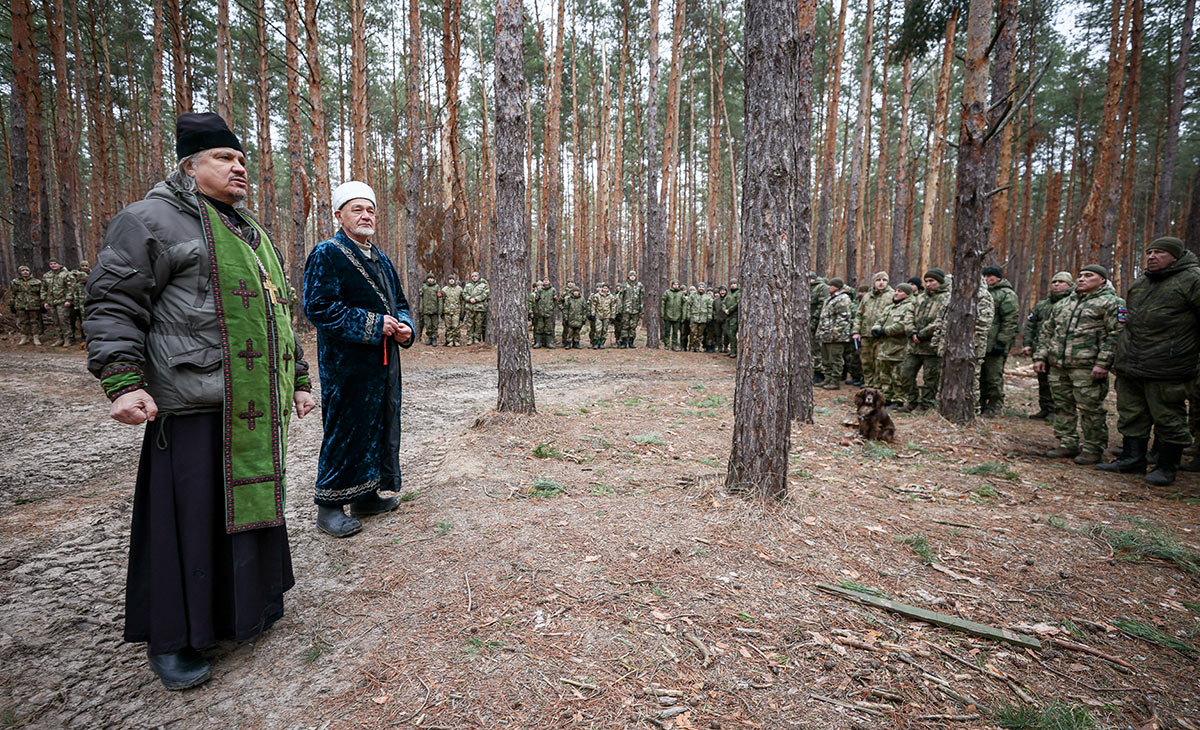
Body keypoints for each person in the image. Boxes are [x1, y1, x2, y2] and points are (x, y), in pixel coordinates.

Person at [84, 112, 315, 690]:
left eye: (242, 160)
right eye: (223, 158)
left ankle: (243, 612)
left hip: (250, 405)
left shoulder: (248, 232)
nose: (239, 168)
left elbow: (277, 317)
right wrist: (122, 379)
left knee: (241, 515)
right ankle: (175, 638)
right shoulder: (149, 221)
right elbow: (114, 302)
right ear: (189, 165)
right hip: (191, 404)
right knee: (188, 523)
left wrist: (301, 379)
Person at [304, 180, 415, 536]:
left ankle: (366, 496)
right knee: (345, 430)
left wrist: (406, 328)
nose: (366, 215)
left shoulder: (380, 257)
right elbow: (319, 308)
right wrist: (372, 324)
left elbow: (399, 303)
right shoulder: (327, 253)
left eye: (370, 210)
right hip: (346, 365)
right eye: (357, 209)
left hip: (383, 364)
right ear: (339, 215)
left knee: (378, 426)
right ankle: (329, 505)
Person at [1099, 237, 1200, 486]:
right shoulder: (1142, 282)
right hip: (1132, 364)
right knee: (1132, 414)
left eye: (1159, 253)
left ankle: (1166, 466)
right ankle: (1132, 459)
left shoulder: (1193, 280)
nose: (1152, 257)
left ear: (1175, 256)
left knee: (1168, 417)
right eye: (1149, 252)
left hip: (1168, 366)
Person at [1033, 265, 1123, 465]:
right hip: (1058, 365)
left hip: (1088, 366)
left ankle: (1093, 447)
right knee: (1062, 406)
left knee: (1090, 408)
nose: (1082, 279)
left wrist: (1103, 363)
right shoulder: (1064, 303)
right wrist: (1040, 356)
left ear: (1102, 280)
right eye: (1080, 275)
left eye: (1088, 276)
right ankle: (1067, 442)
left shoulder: (1112, 303)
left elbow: (1116, 335)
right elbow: (1047, 331)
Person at [898, 269, 951, 412]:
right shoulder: (919, 298)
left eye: (931, 281)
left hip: (932, 347)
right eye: (926, 281)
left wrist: (922, 334)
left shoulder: (947, 298)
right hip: (913, 346)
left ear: (939, 281)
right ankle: (912, 401)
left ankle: (927, 405)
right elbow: (908, 315)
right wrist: (912, 332)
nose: (928, 284)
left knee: (931, 379)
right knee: (905, 374)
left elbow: (942, 321)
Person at [1023, 272, 1075, 419]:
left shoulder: (1073, 303)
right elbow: (1031, 326)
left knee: (1058, 382)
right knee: (1043, 381)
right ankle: (1045, 408)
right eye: (1054, 282)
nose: (1056, 284)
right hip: (1041, 349)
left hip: (1061, 351)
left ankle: (1057, 412)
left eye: (1061, 282)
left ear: (1069, 285)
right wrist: (1027, 344)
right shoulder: (1042, 305)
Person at [981, 265, 1019, 416]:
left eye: (990, 276)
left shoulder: (1006, 294)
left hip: (996, 344)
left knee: (993, 377)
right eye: (985, 276)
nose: (987, 279)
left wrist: (1002, 342)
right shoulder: (983, 293)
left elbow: (1010, 320)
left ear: (998, 278)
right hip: (981, 343)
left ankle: (995, 406)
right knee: (980, 376)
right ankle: (981, 403)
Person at [872, 283, 916, 406]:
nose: (896, 293)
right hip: (884, 347)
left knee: (898, 376)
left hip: (899, 348)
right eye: (896, 290)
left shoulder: (910, 306)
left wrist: (885, 331)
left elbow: (903, 325)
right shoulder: (890, 307)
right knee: (884, 375)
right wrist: (876, 328)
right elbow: (879, 319)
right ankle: (886, 397)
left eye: (900, 291)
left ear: (907, 294)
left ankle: (899, 399)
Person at [853, 272, 893, 388]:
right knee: (866, 361)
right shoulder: (867, 296)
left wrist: (886, 330)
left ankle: (878, 386)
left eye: (884, 280)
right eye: (878, 280)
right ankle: (868, 384)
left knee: (879, 362)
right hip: (866, 334)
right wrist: (856, 331)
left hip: (882, 335)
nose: (881, 282)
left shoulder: (891, 295)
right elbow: (859, 314)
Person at [816, 278, 853, 390]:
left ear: (836, 287)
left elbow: (843, 318)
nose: (828, 287)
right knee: (826, 359)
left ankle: (835, 381)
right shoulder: (830, 298)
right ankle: (827, 379)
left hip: (836, 337)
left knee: (835, 359)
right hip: (826, 335)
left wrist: (835, 332)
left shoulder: (843, 299)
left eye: (831, 285)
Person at [41, 258, 74, 346]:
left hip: (62, 302)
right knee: (56, 321)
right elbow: (43, 288)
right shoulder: (47, 275)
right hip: (51, 302)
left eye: (55, 263)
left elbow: (70, 288)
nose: (53, 265)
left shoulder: (66, 274)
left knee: (64, 320)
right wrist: (45, 301)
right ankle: (60, 338)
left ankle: (68, 339)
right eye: (51, 264)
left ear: (59, 264)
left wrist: (68, 300)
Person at [10, 265, 43, 345]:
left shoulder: (37, 282)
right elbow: (12, 294)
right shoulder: (15, 282)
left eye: (27, 270)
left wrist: (42, 303)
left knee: (35, 321)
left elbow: (41, 293)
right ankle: (24, 337)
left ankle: (36, 337)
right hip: (20, 304)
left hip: (34, 304)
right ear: (20, 272)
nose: (25, 272)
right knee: (23, 321)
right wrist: (12, 304)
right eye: (23, 271)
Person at [617, 270, 645, 348]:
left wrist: (641, 309)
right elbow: (620, 298)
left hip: (635, 310)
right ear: (628, 276)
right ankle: (624, 342)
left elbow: (641, 298)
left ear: (636, 277)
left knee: (633, 326)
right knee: (625, 326)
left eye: (634, 276)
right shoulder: (625, 285)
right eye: (631, 275)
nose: (632, 277)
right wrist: (620, 309)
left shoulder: (639, 285)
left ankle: (631, 342)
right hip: (626, 310)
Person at [809, 272, 828, 382]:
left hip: (817, 323)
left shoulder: (821, 287)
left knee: (817, 349)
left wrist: (815, 319)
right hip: (807, 322)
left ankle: (819, 373)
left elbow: (823, 304)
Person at [531, 278, 558, 348]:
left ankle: (548, 343)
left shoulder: (553, 290)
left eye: (547, 280)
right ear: (543, 282)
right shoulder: (539, 290)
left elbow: (556, 301)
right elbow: (536, 301)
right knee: (539, 327)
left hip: (549, 312)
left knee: (548, 328)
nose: (546, 282)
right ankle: (538, 343)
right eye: (544, 281)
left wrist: (552, 308)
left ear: (549, 281)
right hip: (540, 312)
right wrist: (537, 310)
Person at [588, 282, 617, 348]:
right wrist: (592, 314)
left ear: (608, 289)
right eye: (604, 288)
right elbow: (593, 306)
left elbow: (613, 307)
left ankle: (602, 343)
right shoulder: (597, 296)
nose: (605, 289)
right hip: (598, 315)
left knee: (604, 330)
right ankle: (596, 343)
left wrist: (612, 317)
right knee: (598, 330)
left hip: (607, 316)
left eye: (606, 288)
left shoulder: (611, 297)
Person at [463, 271, 489, 345]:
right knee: (470, 324)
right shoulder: (468, 285)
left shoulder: (483, 285)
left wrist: (476, 299)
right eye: (473, 276)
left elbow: (485, 294)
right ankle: (470, 338)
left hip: (479, 307)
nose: (474, 278)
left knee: (478, 324)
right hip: (469, 307)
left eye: (475, 276)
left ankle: (476, 338)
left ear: (478, 277)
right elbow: (464, 294)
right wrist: (469, 299)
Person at [686, 283, 713, 353]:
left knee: (700, 334)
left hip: (703, 318)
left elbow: (710, 307)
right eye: (700, 287)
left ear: (704, 288)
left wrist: (709, 317)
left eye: (702, 287)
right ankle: (691, 346)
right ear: (698, 288)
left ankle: (697, 347)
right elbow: (688, 306)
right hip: (694, 317)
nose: (701, 288)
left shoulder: (707, 297)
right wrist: (688, 315)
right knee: (692, 333)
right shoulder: (693, 296)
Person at [660, 279, 686, 351]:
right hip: (667, 315)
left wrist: (684, 315)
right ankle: (667, 345)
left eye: (677, 284)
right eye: (674, 284)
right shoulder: (667, 292)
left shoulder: (681, 294)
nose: (675, 286)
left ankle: (674, 346)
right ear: (672, 285)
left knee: (675, 332)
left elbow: (684, 304)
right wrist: (662, 313)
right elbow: (663, 303)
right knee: (667, 331)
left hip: (677, 316)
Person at [417, 274, 442, 346]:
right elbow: (421, 299)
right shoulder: (424, 287)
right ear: (427, 279)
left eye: (432, 278)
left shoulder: (437, 287)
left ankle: (434, 338)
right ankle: (430, 338)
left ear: (434, 279)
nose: (430, 280)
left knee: (435, 325)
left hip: (435, 310)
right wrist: (421, 309)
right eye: (429, 278)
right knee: (428, 325)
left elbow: (439, 299)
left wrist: (440, 309)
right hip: (426, 310)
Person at [70, 260, 91, 341]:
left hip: (89, 303)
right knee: (80, 320)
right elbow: (75, 294)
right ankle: (82, 336)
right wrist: (76, 305)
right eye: (83, 266)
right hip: (79, 304)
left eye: (86, 266)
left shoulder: (92, 277)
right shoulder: (75, 278)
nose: (84, 267)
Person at [723, 279, 740, 358]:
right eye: (731, 283)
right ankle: (731, 350)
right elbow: (724, 303)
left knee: (732, 333)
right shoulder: (729, 294)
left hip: (734, 315)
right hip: (728, 316)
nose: (733, 285)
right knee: (728, 333)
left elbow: (738, 303)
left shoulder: (738, 293)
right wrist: (725, 309)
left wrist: (729, 310)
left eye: (734, 283)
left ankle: (734, 351)